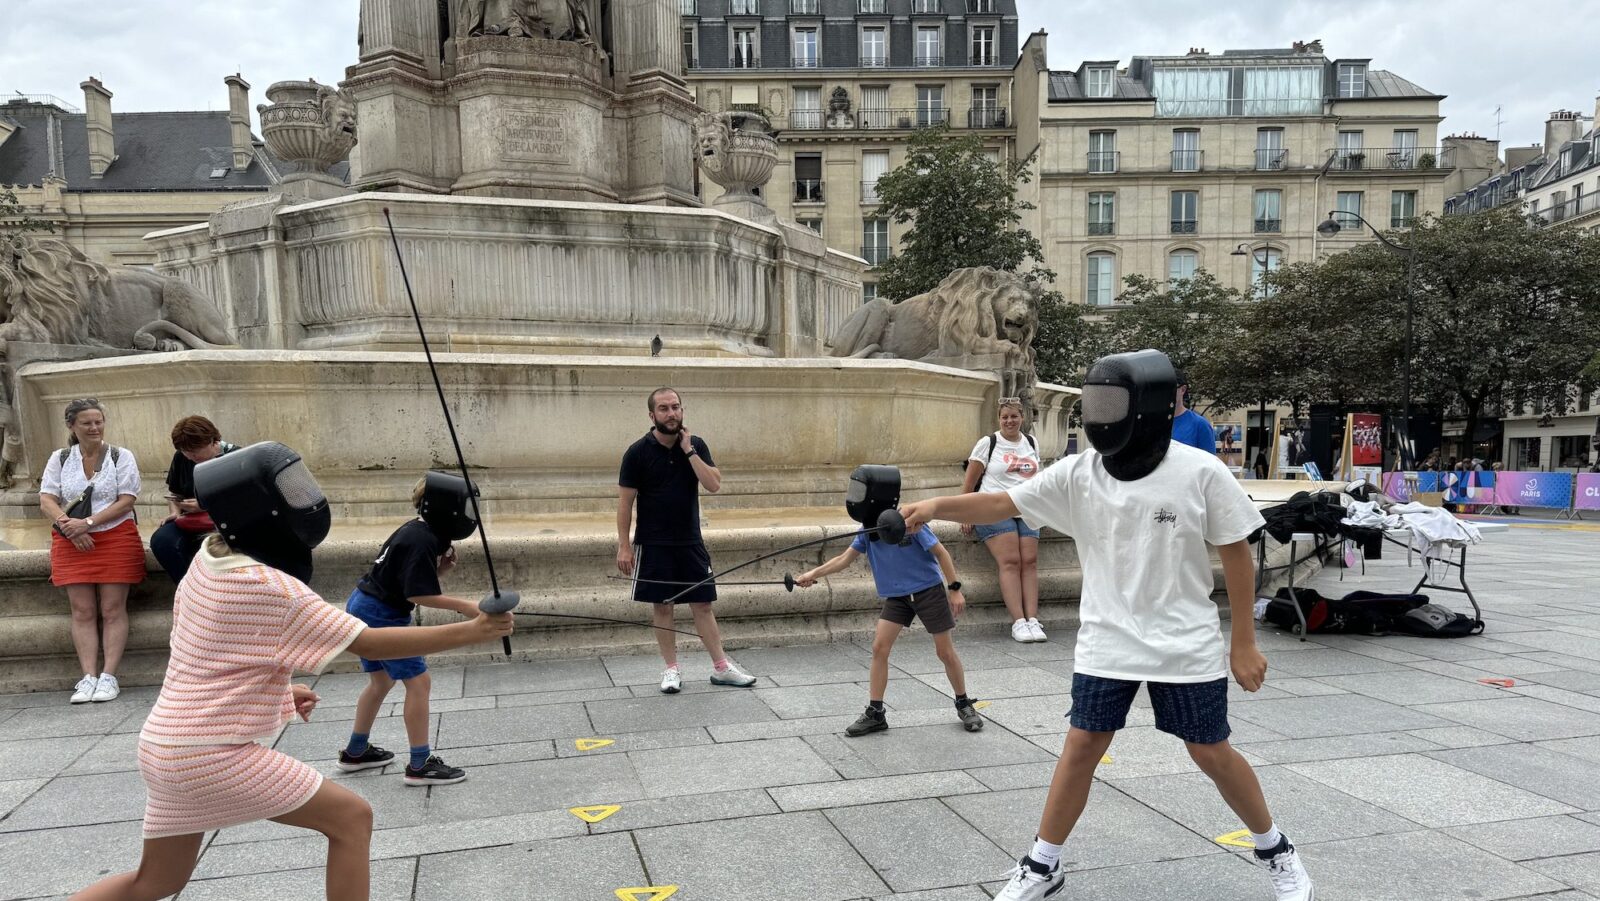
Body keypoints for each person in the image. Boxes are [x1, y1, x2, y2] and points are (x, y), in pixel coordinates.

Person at [902, 350, 1314, 901]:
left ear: (1148, 407)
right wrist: (934, 506)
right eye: (1093, 402)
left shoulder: (1200, 472)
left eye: (1110, 401)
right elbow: (1002, 502)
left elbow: (1236, 555)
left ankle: (1276, 850)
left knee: (1209, 749)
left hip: (1183, 640)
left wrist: (1243, 641)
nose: (1099, 414)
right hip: (1106, 639)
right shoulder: (1079, 473)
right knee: (1081, 745)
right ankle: (1042, 866)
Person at [67, 441, 514, 901]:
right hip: (209, 753)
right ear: (269, 510)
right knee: (351, 818)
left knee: (155, 882)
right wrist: (474, 629)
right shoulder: (271, 586)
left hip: (164, 746)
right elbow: (369, 641)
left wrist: (276, 693)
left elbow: (205, 654)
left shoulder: (206, 559)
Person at [796, 464, 983, 736]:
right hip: (897, 596)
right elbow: (844, 559)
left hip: (927, 590)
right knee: (879, 648)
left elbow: (941, 553)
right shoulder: (869, 529)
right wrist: (813, 574)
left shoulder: (909, 522)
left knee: (944, 652)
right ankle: (876, 712)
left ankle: (964, 703)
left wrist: (954, 588)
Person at [336, 472, 484, 786]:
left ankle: (356, 752)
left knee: (381, 681)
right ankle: (420, 764)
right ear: (448, 507)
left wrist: (439, 572)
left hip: (363, 602)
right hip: (381, 613)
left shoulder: (419, 529)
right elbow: (415, 594)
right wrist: (465, 606)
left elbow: (407, 580)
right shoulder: (423, 539)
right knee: (419, 683)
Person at [617, 387, 757, 693]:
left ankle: (721, 667)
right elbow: (625, 503)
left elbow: (714, 484)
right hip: (654, 543)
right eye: (664, 409)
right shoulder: (637, 452)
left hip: (690, 540)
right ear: (652, 415)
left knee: (703, 604)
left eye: (676, 407)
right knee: (663, 607)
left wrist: (689, 451)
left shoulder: (696, 445)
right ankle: (671, 670)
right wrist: (624, 546)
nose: (672, 413)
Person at [39, 398, 144, 705]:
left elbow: (127, 499)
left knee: (113, 608)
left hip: (114, 537)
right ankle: (88, 677)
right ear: (72, 426)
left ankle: (109, 676)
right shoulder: (59, 458)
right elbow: (47, 498)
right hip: (71, 538)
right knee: (82, 610)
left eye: (98, 421)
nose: (94, 427)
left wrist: (87, 522)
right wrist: (69, 526)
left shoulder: (120, 456)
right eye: (87, 423)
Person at [960, 399, 1046, 642]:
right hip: (994, 508)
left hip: (1027, 508)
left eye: (1014, 416)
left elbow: (1036, 479)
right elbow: (970, 482)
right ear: (999, 419)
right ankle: (1018, 622)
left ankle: (1033, 620)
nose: (1009, 421)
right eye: (1005, 417)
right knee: (1010, 561)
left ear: (1022, 418)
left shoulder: (1031, 442)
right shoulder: (989, 443)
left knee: (1029, 562)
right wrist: (966, 512)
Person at [150, 415, 240, 582]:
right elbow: (174, 493)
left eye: (195, 450)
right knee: (162, 541)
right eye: (185, 451)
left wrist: (206, 505)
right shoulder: (181, 458)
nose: (190, 456)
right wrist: (175, 511)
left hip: (227, 522)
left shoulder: (237, 457)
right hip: (190, 520)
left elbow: (244, 500)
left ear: (213, 441)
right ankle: (188, 587)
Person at [1170, 369, 1217, 454]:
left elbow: (1210, 464)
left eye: (1171, 386)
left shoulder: (1200, 425)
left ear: (1183, 390)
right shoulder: (1151, 424)